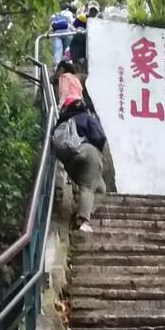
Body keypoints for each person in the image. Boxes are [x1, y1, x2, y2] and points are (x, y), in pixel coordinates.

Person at [51, 98, 108, 233]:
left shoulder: (63, 122)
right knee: (88, 187)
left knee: (100, 188)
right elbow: (98, 137)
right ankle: (84, 222)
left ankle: (78, 212)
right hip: (88, 153)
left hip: (70, 161)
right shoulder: (86, 118)